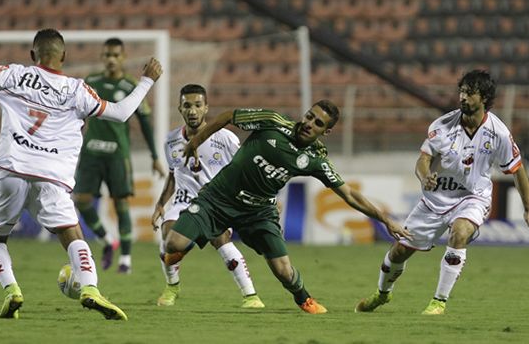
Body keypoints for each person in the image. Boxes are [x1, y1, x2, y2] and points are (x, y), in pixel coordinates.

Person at [0, 12, 162, 320]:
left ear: (32, 55)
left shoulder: (12, 75)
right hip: (53, 177)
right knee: (73, 236)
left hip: (11, 170)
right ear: (63, 57)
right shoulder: (77, 90)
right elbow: (120, 113)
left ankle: (12, 290)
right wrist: (146, 80)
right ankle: (90, 289)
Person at [161, 99, 411, 314]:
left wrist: (384, 219)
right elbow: (229, 116)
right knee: (173, 244)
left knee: (283, 270)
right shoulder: (272, 121)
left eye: (318, 123)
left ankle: (304, 298)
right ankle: (183, 265)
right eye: (310, 116)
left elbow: (348, 194)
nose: (310, 123)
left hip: (258, 212)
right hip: (218, 198)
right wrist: (196, 141)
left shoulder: (315, 158)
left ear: (326, 132)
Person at [355, 70, 529, 315]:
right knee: (400, 251)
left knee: (459, 233)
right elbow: (422, 161)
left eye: (470, 93)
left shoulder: (498, 132)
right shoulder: (442, 125)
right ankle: (382, 294)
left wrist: (528, 208)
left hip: (472, 197)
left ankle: (439, 302)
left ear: (484, 98)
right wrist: (425, 178)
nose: (463, 97)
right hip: (435, 200)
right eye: (462, 91)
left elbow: (517, 168)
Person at [151, 84, 265, 308]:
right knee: (168, 237)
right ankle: (172, 286)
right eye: (187, 106)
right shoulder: (171, 141)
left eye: (197, 105)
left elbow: (245, 169)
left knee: (220, 239)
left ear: (206, 108)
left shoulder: (225, 138)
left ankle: (250, 295)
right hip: (184, 199)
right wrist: (161, 203)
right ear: (179, 109)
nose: (192, 111)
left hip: (216, 202)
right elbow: (174, 174)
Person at [74, 38, 165, 274]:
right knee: (81, 200)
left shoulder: (131, 86)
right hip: (91, 152)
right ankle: (107, 240)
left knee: (121, 204)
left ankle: (125, 259)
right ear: (102, 58)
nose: (111, 59)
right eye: (107, 55)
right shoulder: (90, 82)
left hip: (117, 155)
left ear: (123, 57)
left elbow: (145, 123)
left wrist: (155, 156)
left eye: (115, 55)